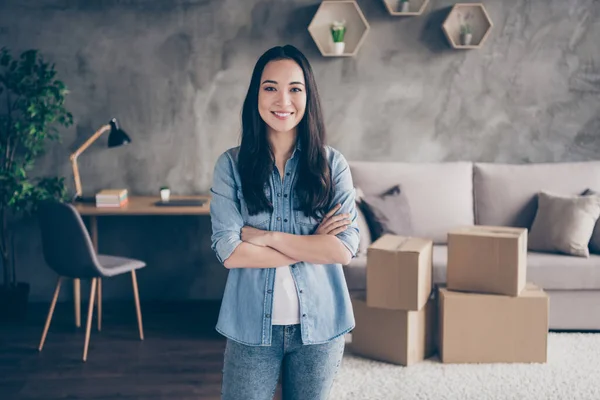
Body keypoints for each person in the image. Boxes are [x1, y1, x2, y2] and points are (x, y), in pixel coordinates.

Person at [209, 44, 360, 400]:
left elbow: (344, 249)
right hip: (250, 330)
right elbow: (229, 251)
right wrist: (312, 244)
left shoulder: (332, 164)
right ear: (256, 95)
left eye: (295, 88)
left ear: (308, 96)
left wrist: (266, 236)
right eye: (270, 87)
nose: (283, 100)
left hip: (321, 329)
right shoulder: (230, 165)